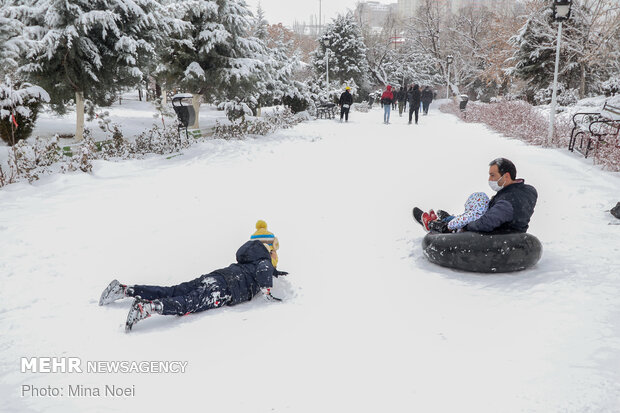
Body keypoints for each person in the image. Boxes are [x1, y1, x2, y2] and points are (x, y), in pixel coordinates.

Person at [99, 221, 289, 332]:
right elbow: (264, 268)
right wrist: (268, 292)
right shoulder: (262, 262)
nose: (275, 258)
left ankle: (124, 290)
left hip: (216, 277)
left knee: (173, 290)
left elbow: (264, 268)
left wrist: (275, 272)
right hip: (224, 289)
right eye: (274, 253)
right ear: (268, 249)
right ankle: (148, 307)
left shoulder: (250, 259)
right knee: (188, 303)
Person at [414, 158, 538, 234]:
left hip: (497, 236)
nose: (490, 179)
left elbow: (486, 223)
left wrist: (465, 225)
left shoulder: (507, 202)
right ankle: (451, 219)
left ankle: (436, 225)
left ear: (506, 176)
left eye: (493, 175)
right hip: (509, 228)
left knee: (472, 218)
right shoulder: (528, 190)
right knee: (475, 212)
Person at [417, 192, 490, 233]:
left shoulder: (472, 215)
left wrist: (448, 226)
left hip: (455, 230)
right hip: (462, 225)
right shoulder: (484, 214)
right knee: (455, 218)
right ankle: (444, 218)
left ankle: (431, 223)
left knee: (451, 222)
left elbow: (459, 221)